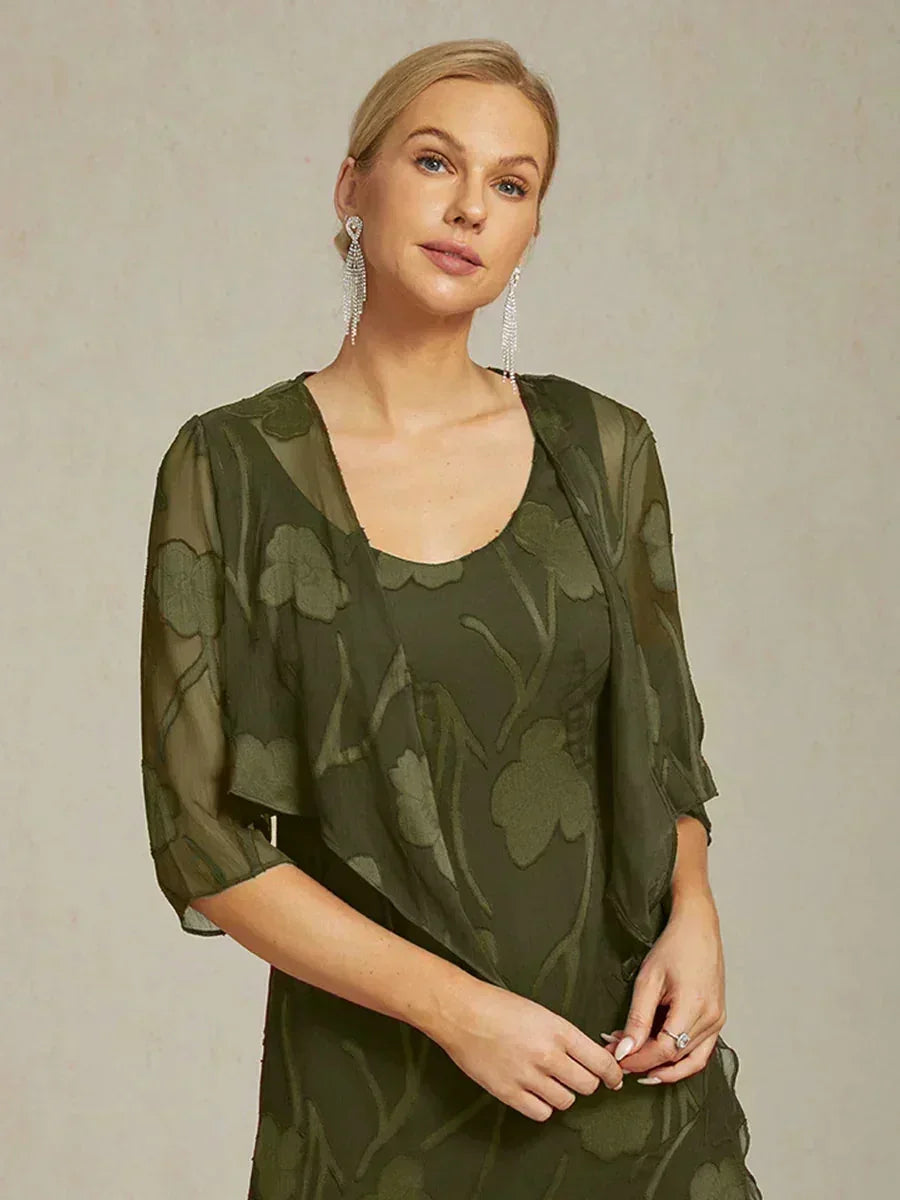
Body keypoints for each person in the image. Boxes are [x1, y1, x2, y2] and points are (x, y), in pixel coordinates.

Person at [139, 37, 762, 1200]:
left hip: (619, 1070)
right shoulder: (232, 467)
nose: (471, 206)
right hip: (376, 1103)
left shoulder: (604, 451)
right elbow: (199, 842)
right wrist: (459, 1011)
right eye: (435, 161)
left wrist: (697, 919)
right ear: (352, 184)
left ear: (531, 229)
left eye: (511, 184)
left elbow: (665, 750)